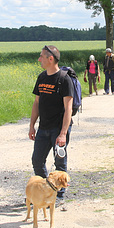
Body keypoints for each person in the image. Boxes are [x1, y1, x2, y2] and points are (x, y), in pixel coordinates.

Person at [28, 45, 73, 208]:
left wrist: (62, 133)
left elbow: (68, 107)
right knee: (37, 160)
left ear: (50, 58)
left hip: (58, 129)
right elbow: (36, 103)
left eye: (41, 56)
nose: (39, 59)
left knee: (59, 162)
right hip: (43, 128)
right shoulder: (41, 78)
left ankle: (58, 195)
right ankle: (47, 189)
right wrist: (32, 125)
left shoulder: (64, 79)